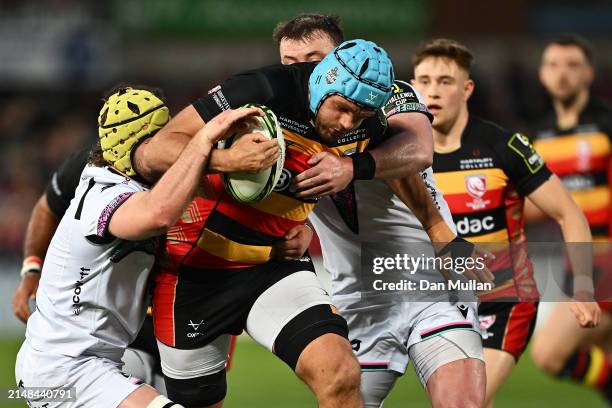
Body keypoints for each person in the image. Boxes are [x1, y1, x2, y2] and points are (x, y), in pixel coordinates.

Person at [132, 39, 439, 408]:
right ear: (326, 82)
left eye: (358, 116)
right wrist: (227, 160)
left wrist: (436, 228)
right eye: (342, 108)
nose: (347, 124)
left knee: (341, 374)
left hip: (275, 264)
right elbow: (156, 151)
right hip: (194, 272)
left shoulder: (365, 121)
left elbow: (410, 161)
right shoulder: (262, 89)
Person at [274, 14, 491, 408]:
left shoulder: (389, 95)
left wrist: (350, 169)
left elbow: (418, 151)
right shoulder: (285, 122)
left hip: (428, 281)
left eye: (311, 59)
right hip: (357, 298)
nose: (300, 72)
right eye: (289, 63)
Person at [11, 94, 285, 390]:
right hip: (112, 328)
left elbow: (237, 217)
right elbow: (47, 209)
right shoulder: (95, 177)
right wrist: (31, 268)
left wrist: (285, 238)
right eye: (157, 136)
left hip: (179, 303)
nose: (164, 143)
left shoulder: (184, 159)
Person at [409, 38, 601, 407]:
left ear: (467, 89)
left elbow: (568, 212)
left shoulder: (503, 146)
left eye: (445, 81)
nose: (433, 90)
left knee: (466, 401)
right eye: (425, 80)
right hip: (442, 306)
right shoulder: (403, 156)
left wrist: (583, 287)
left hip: (505, 299)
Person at [528, 34, 612, 401]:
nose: (562, 73)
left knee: (549, 352)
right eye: (553, 65)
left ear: (589, 73)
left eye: (572, 65)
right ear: (542, 74)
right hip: (576, 261)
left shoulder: (607, 125)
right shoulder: (539, 137)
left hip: (606, 256)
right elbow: (538, 207)